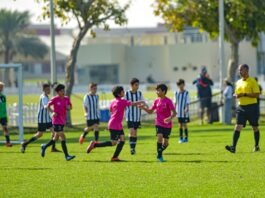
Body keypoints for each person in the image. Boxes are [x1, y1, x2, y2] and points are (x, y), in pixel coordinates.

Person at [86, 86, 144, 162]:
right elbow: (132, 104)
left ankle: (114, 157)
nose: (124, 93)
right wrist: (141, 101)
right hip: (115, 125)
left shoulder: (113, 101)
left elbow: (111, 111)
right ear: (119, 94)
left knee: (122, 140)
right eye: (123, 92)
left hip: (115, 124)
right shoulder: (122, 101)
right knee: (113, 142)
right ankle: (95, 144)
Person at [225, 64, 261, 153]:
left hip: (252, 107)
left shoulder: (252, 81)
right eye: (239, 70)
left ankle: (256, 146)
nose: (239, 72)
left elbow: (257, 94)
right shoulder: (238, 82)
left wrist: (244, 94)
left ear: (247, 70)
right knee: (238, 126)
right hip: (241, 107)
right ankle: (233, 147)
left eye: (241, 70)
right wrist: (235, 95)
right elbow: (236, 93)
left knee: (255, 127)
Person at [140, 84, 177, 162]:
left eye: (158, 90)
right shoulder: (156, 101)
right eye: (156, 90)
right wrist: (143, 108)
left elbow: (174, 113)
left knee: (166, 144)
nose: (156, 92)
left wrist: (169, 118)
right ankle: (160, 157)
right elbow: (150, 111)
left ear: (163, 91)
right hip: (158, 123)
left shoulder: (168, 101)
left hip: (168, 125)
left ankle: (159, 152)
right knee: (159, 137)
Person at [21, 83, 60, 153]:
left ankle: (53, 148)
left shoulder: (46, 96)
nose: (49, 90)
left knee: (54, 132)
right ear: (44, 90)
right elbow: (46, 106)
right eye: (47, 89)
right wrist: (53, 111)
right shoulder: (44, 97)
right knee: (40, 134)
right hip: (42, 118)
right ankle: (25, 144)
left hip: (47, 118)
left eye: (49, 89)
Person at [40, 84, 75, 161]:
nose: (63, 92)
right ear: (58, 92)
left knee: (55, 138)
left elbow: (70, 107)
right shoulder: (55, 99)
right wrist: (52, 112)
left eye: (64, 90)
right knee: (63, 136)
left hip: (62, 121)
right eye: (62, 91)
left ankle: (44, 146)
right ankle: (67, 156)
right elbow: (47, 106)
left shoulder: (66, 98)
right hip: (56, 121)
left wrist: (69, 108)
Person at [125, 78, 146, 155]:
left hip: (137, 116)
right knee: (132, 132)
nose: (137, 86)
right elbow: (124, 103)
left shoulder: (139, 93)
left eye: (138, 85)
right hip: (129, 116)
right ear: (131, 85)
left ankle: (133, 147)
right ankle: (132, 148)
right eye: (136, 85)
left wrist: (142, 105)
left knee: (135, 133)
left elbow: (143, 102)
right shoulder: (126, 94)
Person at [175, 79, 190, 143]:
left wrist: (186, 108)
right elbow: (175, 102)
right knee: (180, 125)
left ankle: (186, 138)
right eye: (179, 85)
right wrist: (173, 110)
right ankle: (181, 138)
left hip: (184, 111)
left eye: (181, 84)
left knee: (185, 124)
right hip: (178, 112)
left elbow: (187, 102)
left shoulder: (186, 93)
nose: (180, 86)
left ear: (184, 84)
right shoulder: (176, 93)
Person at [0, 82, 12, 147]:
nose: (2, 88)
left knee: (5, 129)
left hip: (3, 115)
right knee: (5, 129)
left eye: (2, 87)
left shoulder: (3, 96)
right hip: (3, 115)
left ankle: (8, 142)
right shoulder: (3, 96)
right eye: (1, 87)